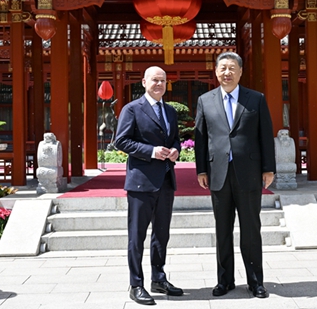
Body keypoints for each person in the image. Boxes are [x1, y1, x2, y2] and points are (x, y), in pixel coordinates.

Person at [194, 52, 276, 299]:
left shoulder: (256, 99)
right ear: (216, 72)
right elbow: (200, 138)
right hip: (218, 173)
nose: (227, 72)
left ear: (240, 72)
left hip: (248, 172)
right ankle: (225, 280)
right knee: (222, 229)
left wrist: (268, 168)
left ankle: (255, 282)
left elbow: (265, 134)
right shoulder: (205, 100)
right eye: (223, 68)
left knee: (251, 228)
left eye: (232, 68)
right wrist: (201, 169)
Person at [114, 66, 183, 306]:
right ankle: (136, 284)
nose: (159, 84)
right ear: (144, 82)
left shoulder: (170, 111)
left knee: (161, 234)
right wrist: (151, 151)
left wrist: (176, 150)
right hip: (141, 182)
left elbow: (175, 139)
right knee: (137, 236)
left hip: (166, 180)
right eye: (155, 80)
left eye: (163, 80)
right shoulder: (132, 109)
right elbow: (121, 141)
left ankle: (159, 278)